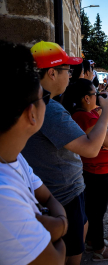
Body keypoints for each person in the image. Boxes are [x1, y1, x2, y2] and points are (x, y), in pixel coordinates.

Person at [22, 41, 108, 265]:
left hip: (60, 190)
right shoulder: (49, 108)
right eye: (68, 70)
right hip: (63, 194)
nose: (71, 76)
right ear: (52, 73)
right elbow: (92, 149)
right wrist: (107, 111)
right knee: (72, 255)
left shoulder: (44, 102)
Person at [0, 40, 67, 265]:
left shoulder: (12, 155)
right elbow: (56, 259)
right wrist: (61, 226)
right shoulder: (4, 198)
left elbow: (46, 196)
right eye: (43, 98)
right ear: (31, 114)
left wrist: (55, 225)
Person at [64, 79, 108, 262]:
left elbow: (105, 139)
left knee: (94, 209)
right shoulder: (85, 117)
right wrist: (104, 112)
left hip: (97, 170)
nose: (99, 96)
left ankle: (92, 240)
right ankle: (98, 249)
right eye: (95, 93)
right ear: (87, 98)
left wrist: (100, 116)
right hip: (96, 171)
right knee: (97, 211)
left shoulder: (85, 114)